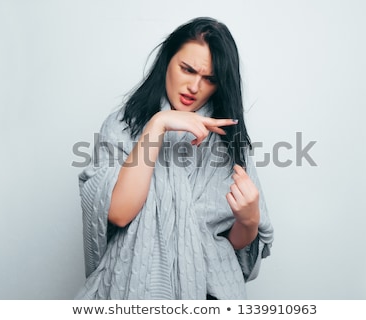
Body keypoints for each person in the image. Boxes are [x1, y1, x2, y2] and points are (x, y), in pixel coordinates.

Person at [75, 17, 274, 300]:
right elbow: (118, 212)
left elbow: (231, 243)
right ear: (167, 61)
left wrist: (249, 219)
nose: (194, 86)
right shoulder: (122, 126)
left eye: (209, 79)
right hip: (134, 291)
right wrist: (158, 125)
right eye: (187, 69)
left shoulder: (230, 141)